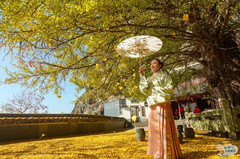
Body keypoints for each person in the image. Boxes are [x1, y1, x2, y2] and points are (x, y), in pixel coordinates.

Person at [139, 59, 182, 159]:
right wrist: (142, 75)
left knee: (163, 127)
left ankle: (167, 153)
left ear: (160, 65)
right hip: (153, 105)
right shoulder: (149, 78)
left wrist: (155, 90)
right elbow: (144, 90)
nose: (152, 65)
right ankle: (157, 153)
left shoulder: (165, 76)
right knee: (155, 129)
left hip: (162, 103)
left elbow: (169, 89)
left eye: (154, 63)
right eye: (151, 64)